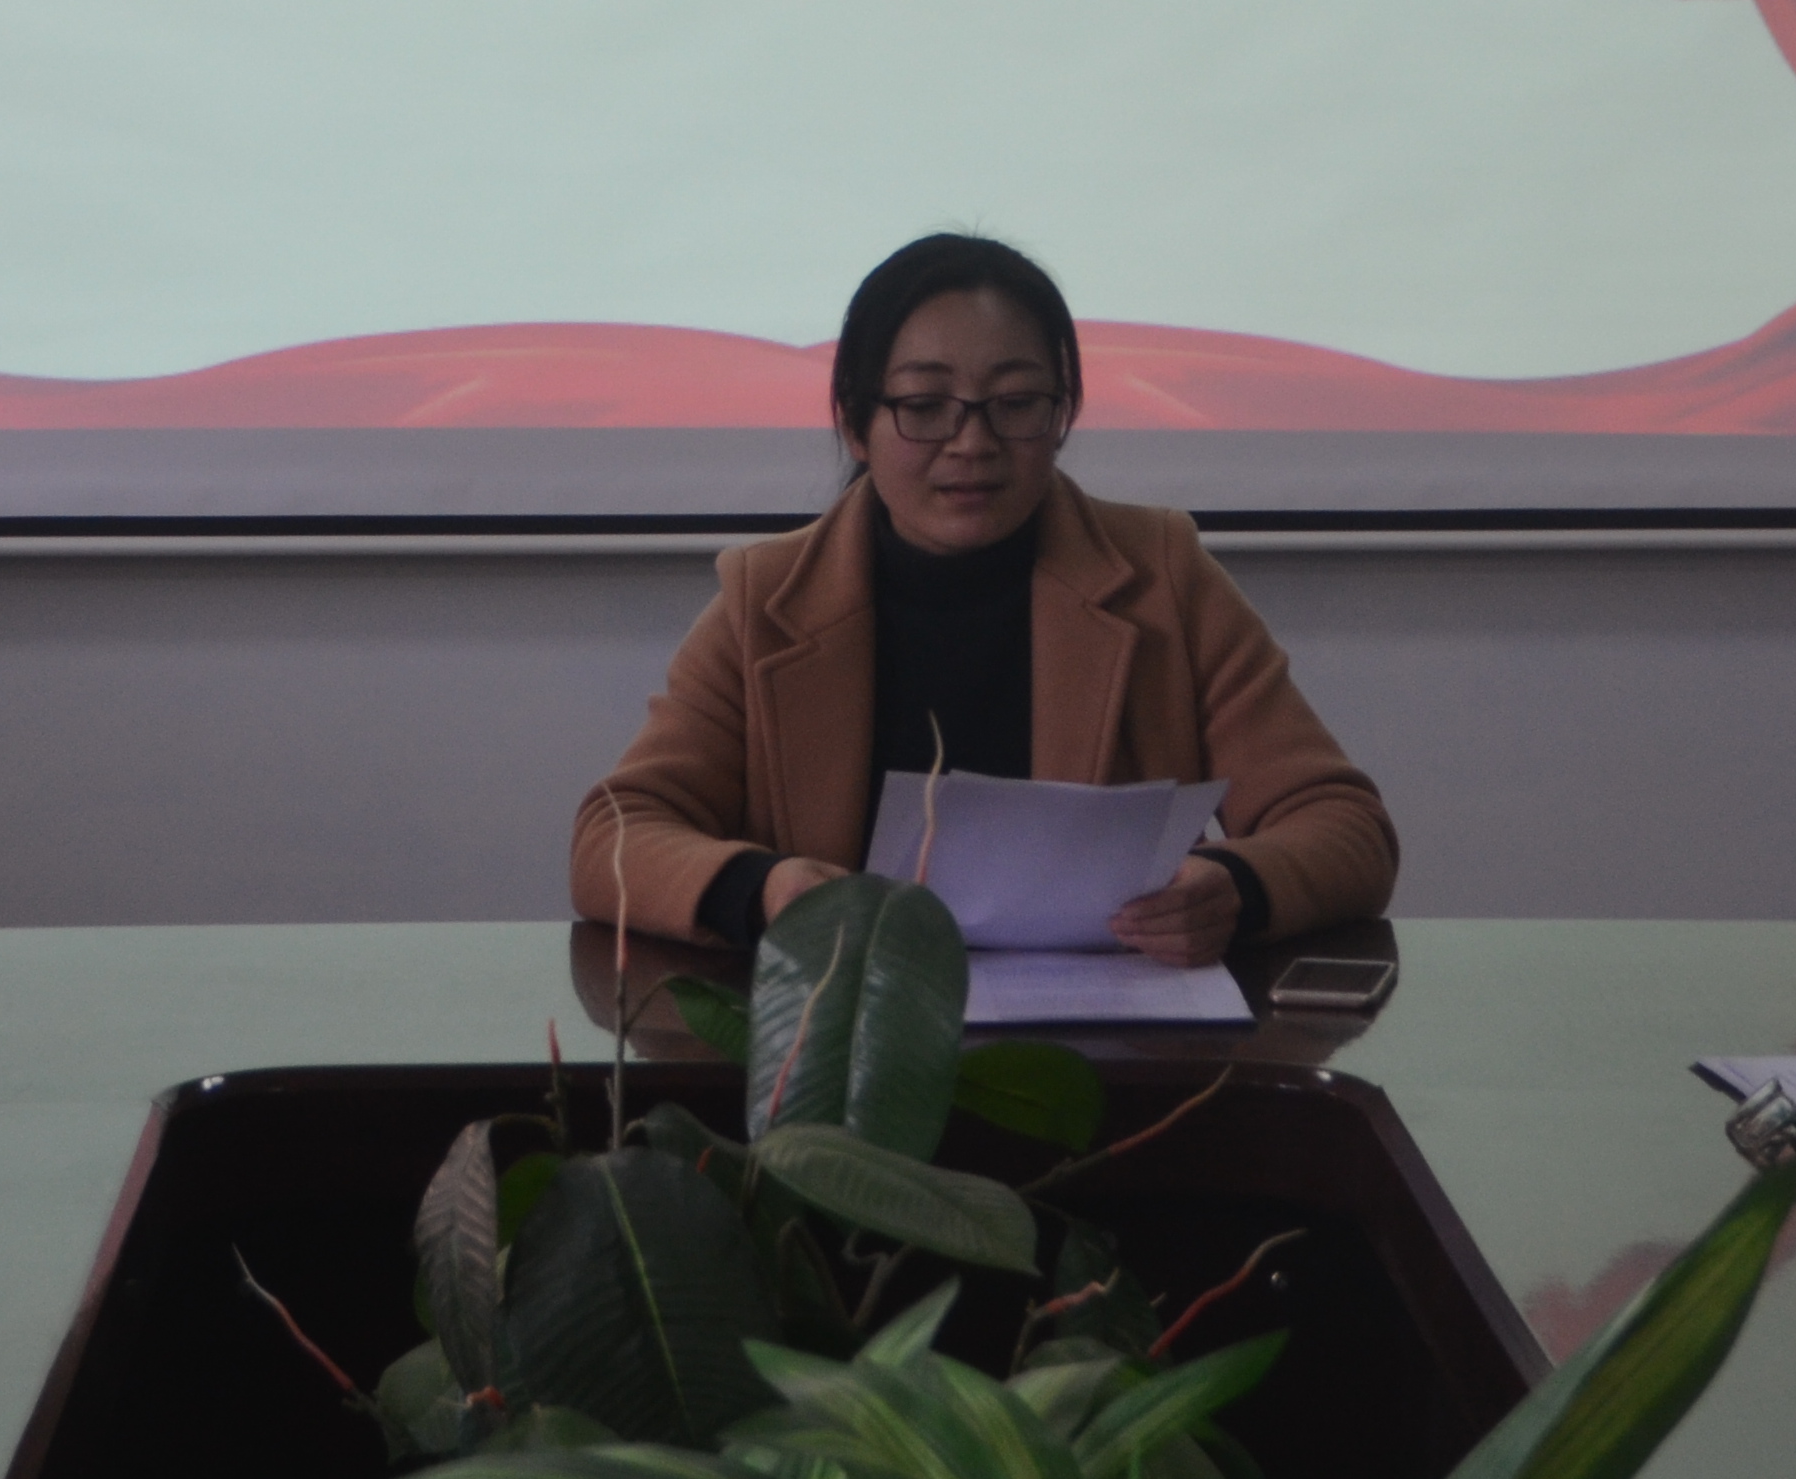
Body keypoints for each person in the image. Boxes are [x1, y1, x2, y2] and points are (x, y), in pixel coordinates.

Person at [569, 234, 1396, 961]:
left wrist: (1236, 887)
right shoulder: (769, 599)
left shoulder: (1161, 577)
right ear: (856, 424)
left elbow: (1344, 825)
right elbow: (614, 835)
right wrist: (766, 890)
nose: (973, 442)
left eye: (1016, 404)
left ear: (1062, 416)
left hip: (1104, 1042)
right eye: (925, 407)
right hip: (844, 1038)